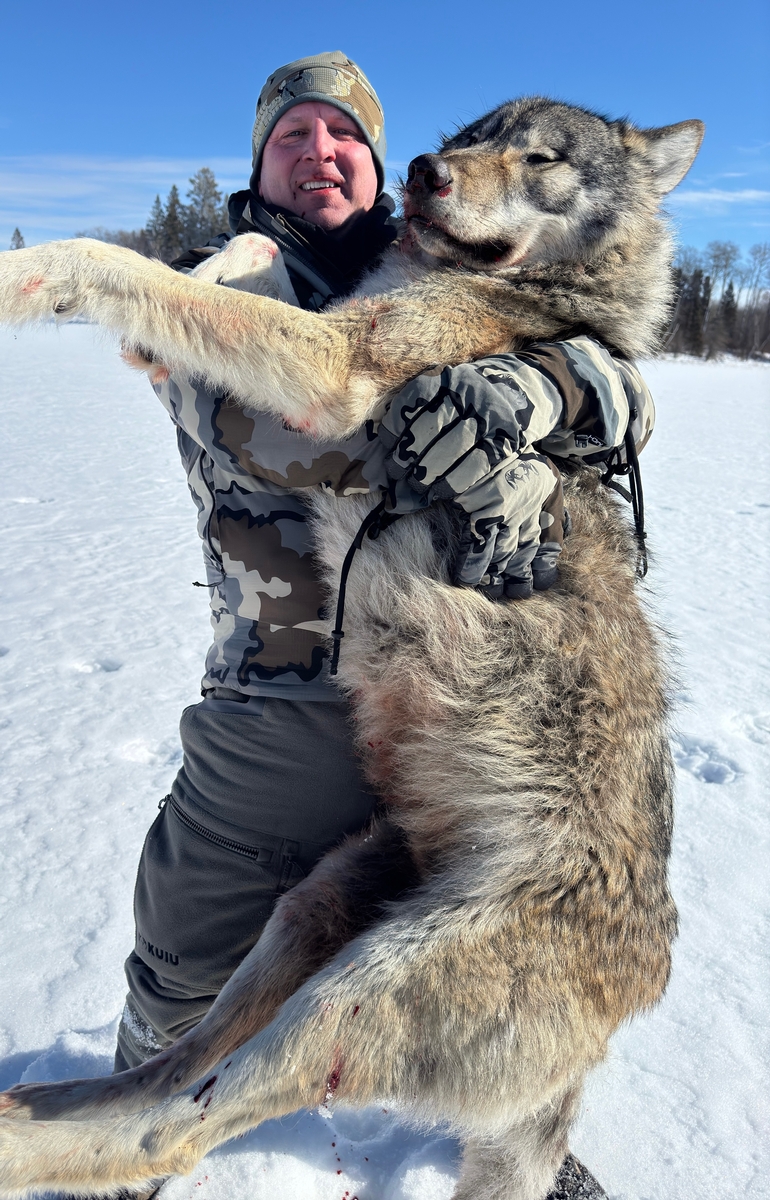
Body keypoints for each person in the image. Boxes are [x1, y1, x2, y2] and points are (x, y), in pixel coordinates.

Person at [112, 52, 651, 1199]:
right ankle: (116, 1155)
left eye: (343, 137)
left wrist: (555, 389)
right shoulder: (219, 283)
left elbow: (611, 363)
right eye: (291, 137)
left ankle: (524, 1142)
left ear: (381, 163)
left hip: (452, 707)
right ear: (259, 168)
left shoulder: (447, 263)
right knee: (182, 990)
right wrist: (497, 406)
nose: (320, 153)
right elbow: (292, 419)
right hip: (278, 722)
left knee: (518, 926)